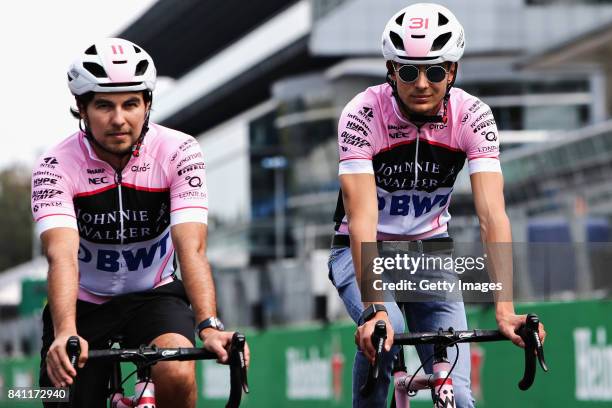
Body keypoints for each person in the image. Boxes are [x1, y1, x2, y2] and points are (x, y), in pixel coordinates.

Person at [328, 4, 545, 407]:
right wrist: (374, 308)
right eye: (409, 71)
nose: (422, 83)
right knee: (385, 329)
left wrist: (505, 308)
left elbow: (492, 215)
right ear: (392, 72)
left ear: (453, 72)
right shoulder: (362, 114)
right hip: (360, 249)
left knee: (458, 392)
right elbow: (361, 221)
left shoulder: (473, 116)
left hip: (429, 254)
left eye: (435, 70)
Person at [32, 38, 249, 408]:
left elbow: (191, 247)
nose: (119, 119)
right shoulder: (55, 166)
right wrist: (65, 331)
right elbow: (61, 257)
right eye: (104, 106)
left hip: (155, 295)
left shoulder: (178, 151)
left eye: (131, 104)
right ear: (81, 109)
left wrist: (209, 325)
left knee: (178, 371)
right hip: (84, 304)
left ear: (147, 105)